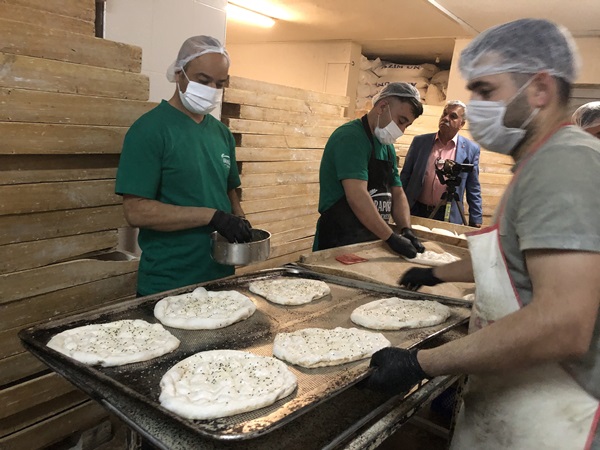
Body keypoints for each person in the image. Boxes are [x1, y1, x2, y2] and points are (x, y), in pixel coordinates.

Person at [367, 18, 600, 449]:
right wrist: (437, 274)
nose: (474, 107)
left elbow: (564, 324)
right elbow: (513, 260)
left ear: (540, 90)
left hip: (555, 414)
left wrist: (422, 362)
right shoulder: (539, 163)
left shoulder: (565, 165)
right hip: (522, 398)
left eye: (486, 91)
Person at [115, 36, 252, 297]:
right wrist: (211, 216)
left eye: (219, 83)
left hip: (219, 278)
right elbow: (136, 211)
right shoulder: (150, 130)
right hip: (169, 283)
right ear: (179, 74)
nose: (211, 88)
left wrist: (240, 222)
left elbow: (228, 189)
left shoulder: (221, 134)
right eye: (203, 80)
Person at [313, 82, 426, 258]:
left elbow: (397, 193)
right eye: (401, 121)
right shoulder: (351, 138)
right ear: (382, 106)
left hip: (369, 240)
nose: (402, 130)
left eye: (407, 125)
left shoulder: (386, 147)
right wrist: (390, 237)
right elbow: (357, 196)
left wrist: (406, 229)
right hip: (339, 241)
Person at [400, 100, 483, 227]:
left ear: (462, 124)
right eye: (444, 114)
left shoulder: (470, 149)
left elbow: (473, 186)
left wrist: (475, 219)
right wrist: (397, 205)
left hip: (448, 214)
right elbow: (405, 176)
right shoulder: (420, 142)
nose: (445, 118)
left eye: (453, 116)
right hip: (415, 209)